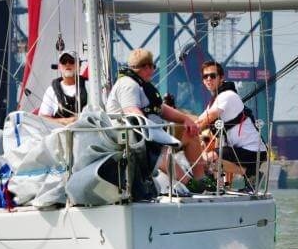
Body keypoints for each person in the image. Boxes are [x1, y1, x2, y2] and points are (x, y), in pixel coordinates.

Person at [106, 49, 202, 176]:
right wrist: (156, 134)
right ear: (147, 67)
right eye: (153, 67)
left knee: (190, 135)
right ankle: (188, 183)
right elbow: (132, 113)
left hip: (150, 134)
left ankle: (201, 180)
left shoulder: (140, 84)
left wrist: (185, 119)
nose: (153, 70)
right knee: (160, 151)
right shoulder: (128, 85)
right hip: (135, 138)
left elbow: (160, 108)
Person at [195, 60, 268, 188]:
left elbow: (205, 120)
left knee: (207, 158)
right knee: (212, 155)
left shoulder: (227, 96)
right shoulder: (214, 101)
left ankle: (249, 174)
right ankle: (244, 177)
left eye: (212, 76)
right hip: (243, 152)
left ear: (221, 78)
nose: (208, 79)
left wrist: (183, 136)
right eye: (205, 76)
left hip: (253, 152)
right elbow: (198, 120)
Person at [37, 51, 87, 121]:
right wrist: (66, 121)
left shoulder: (89, 85)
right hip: (61, 131)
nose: (67, 64)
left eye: (71, 61)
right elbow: (43, 118)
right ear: (59, 67)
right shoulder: (51, 90)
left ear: (79, 65)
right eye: (63, 62)